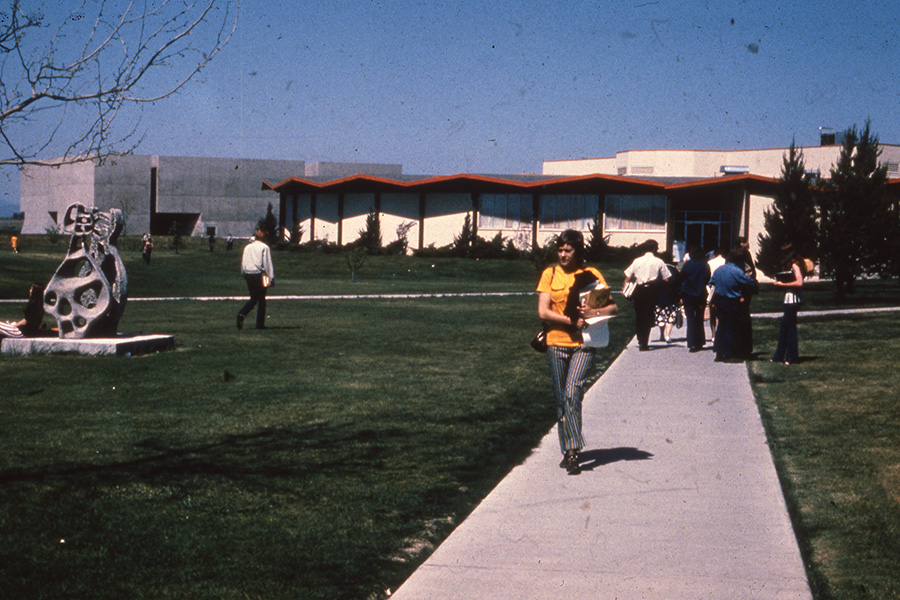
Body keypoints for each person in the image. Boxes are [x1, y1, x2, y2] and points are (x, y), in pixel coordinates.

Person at [537, 229, 618, 475]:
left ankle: (573, 452)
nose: (563, 254)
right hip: (556, 341)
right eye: (560, 250)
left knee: (572, 392)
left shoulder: (590, 274)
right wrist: (571, 321)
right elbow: (543, 312)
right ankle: (567, 449)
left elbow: (612, 307)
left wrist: (591, 314)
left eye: (568, 250)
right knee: (562, 399)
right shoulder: (550, 274)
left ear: (577, 251)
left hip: (584, 343)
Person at [709, 250, 758, 362]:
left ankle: (719, 352)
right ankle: (729, 353)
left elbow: (711, 282)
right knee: (732, 327)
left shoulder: (719, 270)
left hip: (720, 300)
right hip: (732, 300)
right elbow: (748, 282)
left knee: (721, 326)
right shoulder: (736, 271)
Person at [623, 239, 670, 351]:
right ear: (654, 249)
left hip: (639, 290)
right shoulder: (659, 261)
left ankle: (640, 337)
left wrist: (625, 289)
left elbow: (628, 276)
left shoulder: (637, 261)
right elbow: (667, 278)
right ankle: (644, 342)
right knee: (648, 315)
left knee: (639, 315)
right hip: (652, 290)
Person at [771, 244, 807, 365]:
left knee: (790, 329)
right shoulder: (792, 265)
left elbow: (799, 282)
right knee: (784, 328)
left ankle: (791, 357)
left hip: (793, 300)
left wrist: (783, 285)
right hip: (789, 300)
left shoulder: (794, 265)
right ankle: (779, 356)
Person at [237, 228, 275, 330]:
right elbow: (267, 264)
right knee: (262, 300)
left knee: (253, 298)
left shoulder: (247, 247)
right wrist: (271, 277)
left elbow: (243, 262)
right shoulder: (264, 247)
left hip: (248, 274)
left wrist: (243, 273)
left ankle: (242, 313)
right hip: (258, 275)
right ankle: (260, 324)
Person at [679, 246, 711, 352]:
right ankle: (700, 341)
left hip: (688, 294)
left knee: (690, 319)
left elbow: (681, 278)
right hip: (701, 294)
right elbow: (707, 278)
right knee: (699, 318)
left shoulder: (687, 265)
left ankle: (691, 342)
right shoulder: (705, 265)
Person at [733, 237, 758, 359]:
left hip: (738, 291)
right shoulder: (743, 255)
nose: (746, 243)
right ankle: (744, 348)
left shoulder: (735, 255)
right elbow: (751, 272)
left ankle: (739, 348)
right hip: (744, 290)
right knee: (743, 319)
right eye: (744, 242)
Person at [654, 262, 680, 343]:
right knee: (670, 317)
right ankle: (667, 335)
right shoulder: (674, 270)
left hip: (659, 297)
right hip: (672, 297)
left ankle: (662, 334)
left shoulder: (658, 270)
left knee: (660, 316)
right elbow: (679, 284)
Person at [706, 247, 726, 342]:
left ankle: (713, 335)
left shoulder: (709, 263)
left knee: (712, 313)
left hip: (712, 289)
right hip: (723, 289)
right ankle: (721, 333)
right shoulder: (726, 262)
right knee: (722, 313)